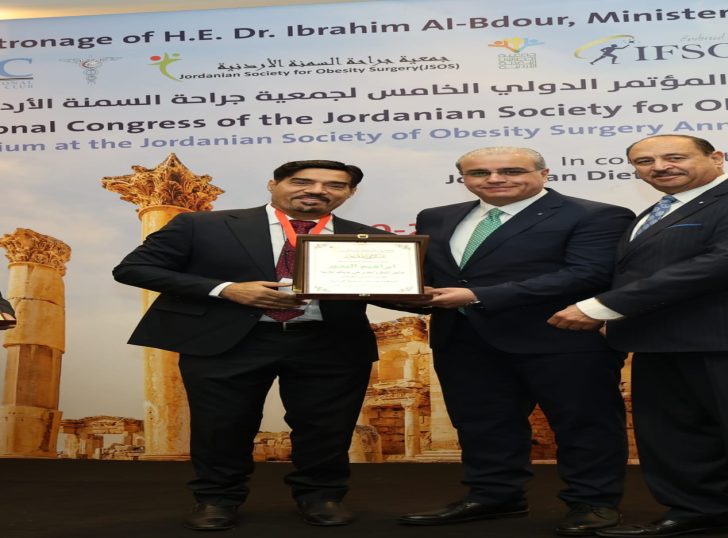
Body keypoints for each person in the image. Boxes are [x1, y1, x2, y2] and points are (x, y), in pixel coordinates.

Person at [548, 134, 728, 538]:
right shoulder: (656, 210)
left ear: (717, 157)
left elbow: (727, 263)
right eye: (645, 162)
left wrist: (605, 306)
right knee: (673, 435)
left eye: (674, 157)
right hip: (657, 338)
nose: (659, 167)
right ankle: (702, 510)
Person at [113, 160, 385, 531]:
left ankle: (322, 496)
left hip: (330, 343)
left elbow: (391, 291)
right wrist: (228, 290)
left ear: (350, 193)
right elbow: (134, 269)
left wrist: (424, 295)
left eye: (334, 185)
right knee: (221, 427)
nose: (317, 190)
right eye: (302, 181)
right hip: (228, 341)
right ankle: (217, 499)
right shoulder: (201, 225)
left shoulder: (370, 238)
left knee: (327, 429)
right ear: (273, 184)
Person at [398, 147, 635, 536]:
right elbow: (428, 275)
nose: (494, 179)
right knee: (482, 425)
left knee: (584, 425)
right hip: (463, 339)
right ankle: (494, 496)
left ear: (544, 173)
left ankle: (594, 503)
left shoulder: (596, 214)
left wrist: (478, 296)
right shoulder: (436, 217)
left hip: (559, 338)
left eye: (511, 171)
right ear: (463, 179)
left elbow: (586, 274)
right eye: (479, 173)